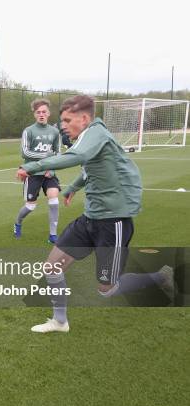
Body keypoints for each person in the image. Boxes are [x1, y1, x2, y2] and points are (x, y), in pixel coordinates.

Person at [17, 95, 174, 333]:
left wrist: (30, 167)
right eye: (62, 121)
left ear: (84, 118)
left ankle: (160, 277)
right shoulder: (87, 138)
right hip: (89, 219)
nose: (63, 125)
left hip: (113, 222)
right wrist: (72, 188)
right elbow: (88, 166)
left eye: (68, 120)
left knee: (107, 289)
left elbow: (77, 157)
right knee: (51, 267)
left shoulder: (96, 133)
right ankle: (60, 322)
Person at [14, 99, 61, 243]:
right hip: (32, 173)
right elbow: (25, 153)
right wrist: (46, 157)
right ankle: (17, 223)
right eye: (38, 112)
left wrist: (51, 168)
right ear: (35, 114)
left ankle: (53, 235)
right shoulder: (28, 131)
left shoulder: (55, 132)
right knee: (30, 206)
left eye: (44, 112)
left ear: (48, 113)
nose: (41, 114)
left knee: (54, 199)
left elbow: (58, 153)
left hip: (49, 173)